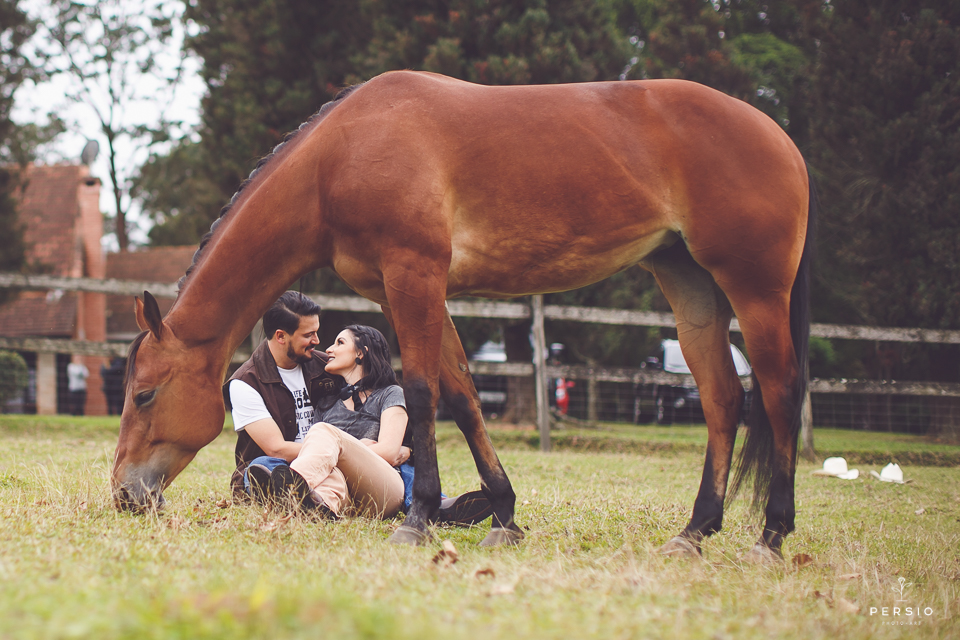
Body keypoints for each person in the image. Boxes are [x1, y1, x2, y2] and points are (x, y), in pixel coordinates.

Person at [225, 292, 491, 524]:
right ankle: (315, 506)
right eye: (309, 335)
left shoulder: (328, 368)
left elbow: (393, 443)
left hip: (363, 473)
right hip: (309, 465)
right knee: (263, 464)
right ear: (281, 337)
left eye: (335, 342)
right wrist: (341, 450)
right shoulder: (246, 383)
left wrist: (391, 449)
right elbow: (277, 448)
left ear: (361, 353)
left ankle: (295, 490)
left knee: (325, 437)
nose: (322, 344)